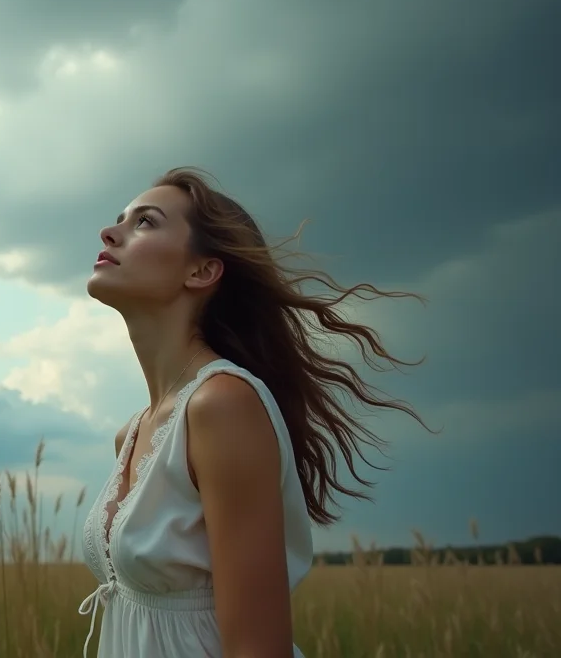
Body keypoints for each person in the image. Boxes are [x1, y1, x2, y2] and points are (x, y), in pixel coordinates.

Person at [76, 167, 428, 657]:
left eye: (145, 223)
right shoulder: (132, 433)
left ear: (201, 271)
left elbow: (259, 649)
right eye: (120, 219)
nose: (109, 232)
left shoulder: (222, 404)